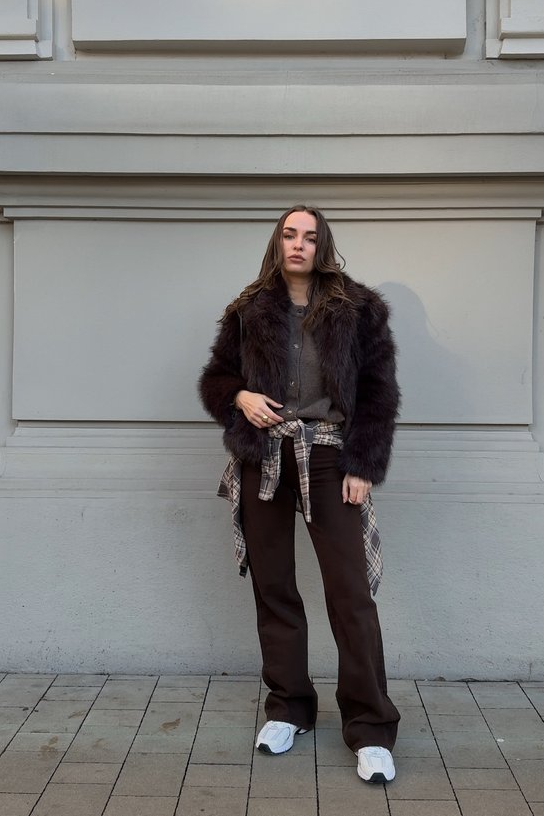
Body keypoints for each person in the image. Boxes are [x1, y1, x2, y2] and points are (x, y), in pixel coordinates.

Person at [198, 205, 401, 784]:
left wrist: (363, 463)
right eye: (290, 234)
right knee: (275, 588)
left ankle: (370, 727)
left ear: (323, 246)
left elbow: (379, 391)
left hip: (332, 456)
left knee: (350, 594)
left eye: (310, 237)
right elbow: (216, 379)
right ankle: (290, 707)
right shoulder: (247, 310)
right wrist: (239, 398)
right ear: (277, 242)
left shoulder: (359, 309)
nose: (299, 244)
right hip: (263, 455)